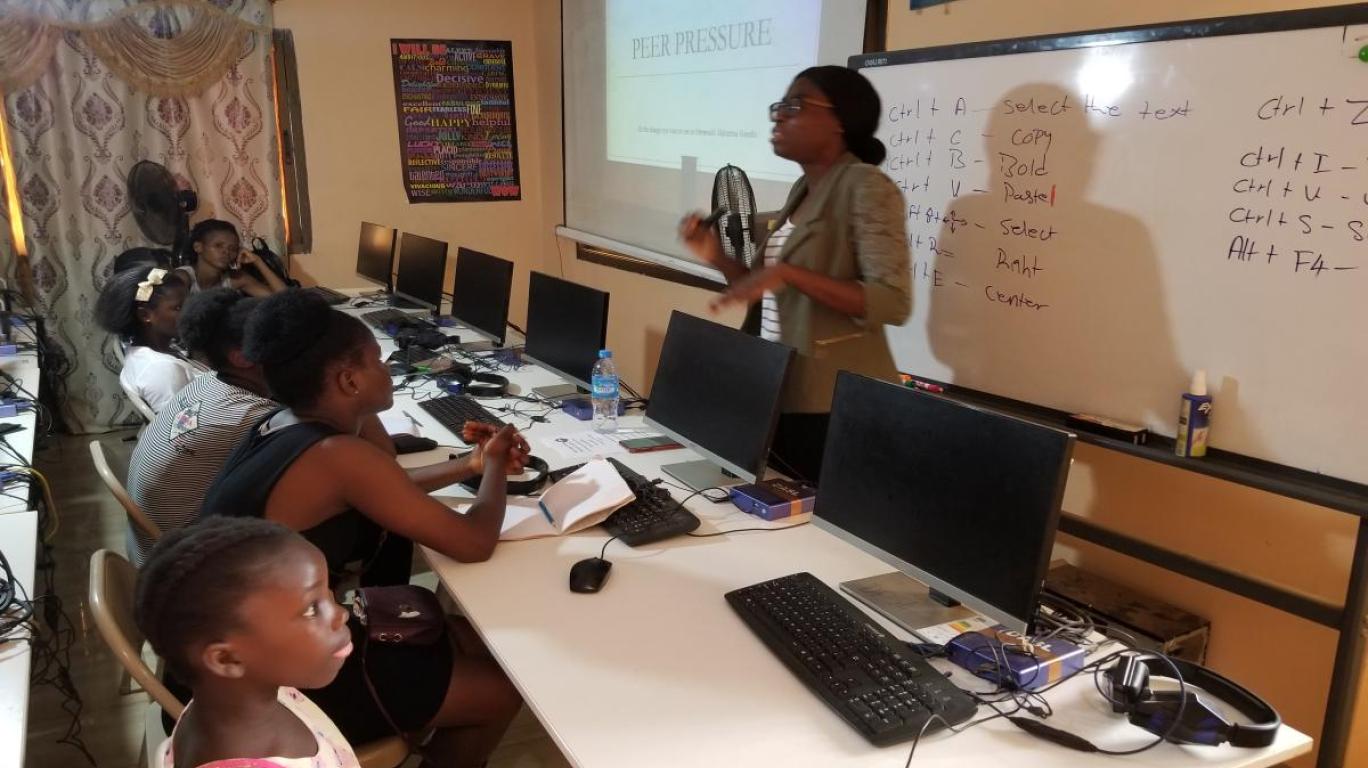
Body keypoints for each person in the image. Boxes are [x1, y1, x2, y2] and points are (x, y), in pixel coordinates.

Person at [201, 289, 525, 766]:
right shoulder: (337, 456)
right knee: (501, 691)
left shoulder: (280, 424)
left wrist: (469, 465)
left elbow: (382, 485)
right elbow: (474, 543)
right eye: (377, 360)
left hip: (246, 644)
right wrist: (495, 466)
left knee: (474, 639)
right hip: (270, 678)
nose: (389, 368)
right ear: (349, 380)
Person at [679, 65, 910, 483]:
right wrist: (714, 255)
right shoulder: (802, 190)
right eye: (778, 106)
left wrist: (790, 272)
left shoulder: (867, 186)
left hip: (831, 404)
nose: (779, 115)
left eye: (795, 104)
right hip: (776, 388)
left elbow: (892, 301)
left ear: (840, 119)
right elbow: (762, 288)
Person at [135, 516, 360, 768]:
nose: (342, 614)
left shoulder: (235, 700)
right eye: (311, 609)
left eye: (329, 596)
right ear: (227, 659)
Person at [125, 288, 276, 566]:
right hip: (185, 563)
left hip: (150, 547)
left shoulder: (205, 383)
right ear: (242, 357)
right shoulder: (249, 416)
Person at [95, 265, 200, 414]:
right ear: (145, 315)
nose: (190, 312)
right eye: (178, 307)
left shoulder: (152, 351)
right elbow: (183, 431)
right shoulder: (162, 369)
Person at [182, 219, 288, 296]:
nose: (226, 252)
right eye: (218, 246)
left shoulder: (235, 279)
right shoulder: (184, 277)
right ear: (198, 247)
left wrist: (258, 261)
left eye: (232, 248)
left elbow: (285, 299)